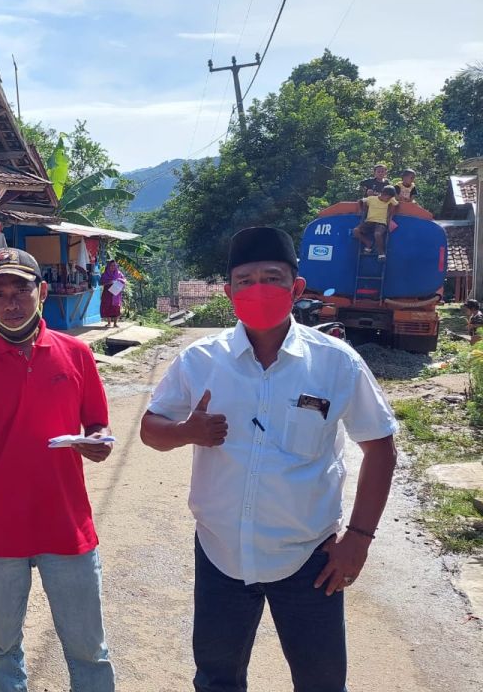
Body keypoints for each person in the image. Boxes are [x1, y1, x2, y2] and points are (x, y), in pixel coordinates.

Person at [140, 226, 398, 692]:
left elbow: (380, 446)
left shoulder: (335, 362)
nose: (258, 289)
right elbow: (150, 429)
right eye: (245, 280)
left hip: (309, 561)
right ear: (228, 292)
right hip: (221, 556)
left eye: (272, 277)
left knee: (320, 683)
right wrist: (186, 432)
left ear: (296, 288)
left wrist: (359, 538)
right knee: (218, 679)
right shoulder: (201, 360)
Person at [0, 247, 117, 692]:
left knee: (89, 649)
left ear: (42, 292)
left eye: (21, 291)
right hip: (0, 530)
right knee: (3, 649)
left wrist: (99, 442)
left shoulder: (75, 355)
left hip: (67, 526)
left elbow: (98, 424)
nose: (11, 303)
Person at [352, 184, 398, 259]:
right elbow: (360, 201)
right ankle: (368, 243)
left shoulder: (390, 200)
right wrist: (360, 210)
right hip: (369, 221)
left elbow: (396, 204)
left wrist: (390, 215)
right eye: (388, 197)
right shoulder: (371, 198)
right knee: (355, 231)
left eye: (390, 198)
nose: (388, 199)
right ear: (383, 194)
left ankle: (381, 253)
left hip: (381, 223)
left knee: (377, 234)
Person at [99, 259, 126, 328]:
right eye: (111, 265)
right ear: (108, 266)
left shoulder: (119, 273)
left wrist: (118, 280)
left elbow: (124, 280)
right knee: (107, 306)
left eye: (114, 265)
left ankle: (115, 323)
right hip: (107, 293)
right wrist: (109, 282)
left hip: (116, 293)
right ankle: (108, 323)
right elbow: (101, 283)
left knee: (116, 307)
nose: (113, 267)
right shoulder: (105, 274)